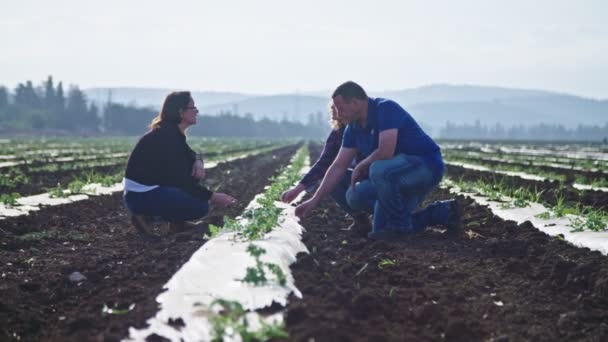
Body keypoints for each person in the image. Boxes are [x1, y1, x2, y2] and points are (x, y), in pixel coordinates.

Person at [295, 81, 461, 240]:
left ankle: (399, 227)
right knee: (354, 196)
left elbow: (385, 152)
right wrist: (314, 201)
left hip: (424, 167)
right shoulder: (353, 128)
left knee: (378, 169)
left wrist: (360, 166)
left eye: (340, 108)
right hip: (390, 178)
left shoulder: (385, 108)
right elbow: (338, 165)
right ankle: (441, 212)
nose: (337, 114)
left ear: (355, 102)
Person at [123, 91, 237, 240]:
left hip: (142, 194)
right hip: (141, 197)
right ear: (180, 112)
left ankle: (177, 223)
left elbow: (189, 155)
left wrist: (198, 161)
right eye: (192, 107)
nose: (197, 111)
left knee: (193, 182)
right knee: (200, 205)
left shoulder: (171, 133)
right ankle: (147, 216)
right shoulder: (167, 137)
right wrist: (213, 196)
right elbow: (181, 181)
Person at [280, 104, 371, 235]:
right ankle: (361, 220)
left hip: (376, 176)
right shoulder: (338, 132)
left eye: (337, 110)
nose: (333, 114)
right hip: (359, 176)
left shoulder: (365, 127)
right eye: (332, 110)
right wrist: (298, 189)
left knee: (359, 194)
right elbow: (324, 162)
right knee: (331, 177)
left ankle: (385, 215)